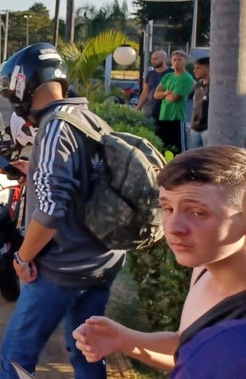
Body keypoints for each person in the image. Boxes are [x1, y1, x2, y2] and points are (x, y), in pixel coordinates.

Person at [0, 42, 126, 379]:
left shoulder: (53, 127)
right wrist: (33, 171)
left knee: (16, 358)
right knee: (87, 350)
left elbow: (50, 212)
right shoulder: (88, 119)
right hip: (100, 262)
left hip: (62, 269)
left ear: (24, 86)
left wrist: (21, 258)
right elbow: (84, 182)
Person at [72, 146, 246, 376]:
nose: (174, 227)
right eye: (167, 208)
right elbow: (187, 350)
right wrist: (123, 339)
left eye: (196, 212)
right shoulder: (203, 268)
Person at [155, 50, 196, 154]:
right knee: (164, 148)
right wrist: (166, 93)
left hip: (176, 118)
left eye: (179, 60)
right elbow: (155, 94)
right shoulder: (168, 76)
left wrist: (164, 94)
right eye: (174, 60)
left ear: (185, 61)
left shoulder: (186, 78)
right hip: (164, 116)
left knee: (178, 149)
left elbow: (174, 98)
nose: (176, 62)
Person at [135, 49, 172, 125]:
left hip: (165, 113)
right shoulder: (150, 74)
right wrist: (138, 108)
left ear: (163, 59)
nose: (152, 61)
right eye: (151, 59)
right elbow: (145, 92)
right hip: (149, 112)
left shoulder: (172, 74)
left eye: (155, 59)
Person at [188, 57, 210, 149]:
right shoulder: (198, 85)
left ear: (208, 68)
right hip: (195, 128)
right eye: (194, 68)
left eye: (198, 68)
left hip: (208, 129)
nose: (194, 71)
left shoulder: (215, 86)